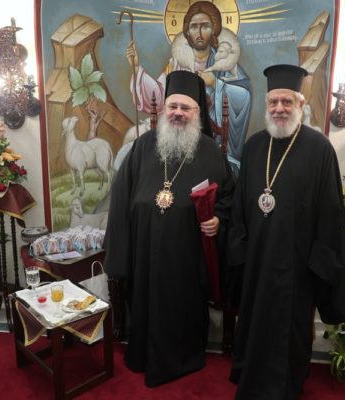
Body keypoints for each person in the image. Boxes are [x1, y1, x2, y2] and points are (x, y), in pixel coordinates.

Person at [104, 70, 235, 387]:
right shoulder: (141, 147)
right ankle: (143, 354)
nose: (178, 113)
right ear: (164, 109)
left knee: (182, 307)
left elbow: (229, 200)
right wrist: (119, 256)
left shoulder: (211, 153)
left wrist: (219, 220)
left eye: (185, 108)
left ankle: (183, 357)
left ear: (197, 112)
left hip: (187, 257)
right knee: (145, 302)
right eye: (173, 106)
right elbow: (120, 198)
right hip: (145, 253)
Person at [227, 64, 345, 399]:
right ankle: (250, 375)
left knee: (290, 329)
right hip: (257, 260)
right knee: (253, 321)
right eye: (273, 102)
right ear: (266, 104)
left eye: (286, 102)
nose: (279, 108)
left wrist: (318, 264)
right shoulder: (254, 146)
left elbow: (330, 212)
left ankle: (286, 386)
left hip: (297, 266)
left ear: (300, 104)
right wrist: (240, 250)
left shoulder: (319, 149)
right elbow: (240, 207)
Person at [126, 1, 251, 174]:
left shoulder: (225, 62)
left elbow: (244, 95)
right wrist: (137, 67)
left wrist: (216, 83)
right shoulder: (176, 63)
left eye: (205, 26)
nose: (199, 33)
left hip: (212, 146)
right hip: (179, 141)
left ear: (214, 29)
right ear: (187, 31)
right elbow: (157, 97)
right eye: (194, 27)